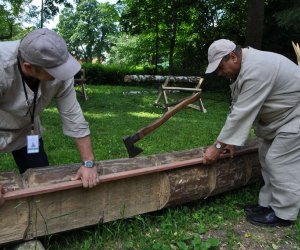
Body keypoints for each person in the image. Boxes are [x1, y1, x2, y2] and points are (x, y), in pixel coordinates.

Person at [203, 39, 300, 227]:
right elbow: (238, 107)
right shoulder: (243, 68)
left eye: (221, 68)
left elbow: (242, 113)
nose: (220, 73)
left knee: (279, 161)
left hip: (295, 116)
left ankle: (284, 214)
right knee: (265, 158)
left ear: (233, 57)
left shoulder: (257, 68)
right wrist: (230, 141)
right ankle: (267, 205)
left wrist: (217, 147)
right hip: (277, 120)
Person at [0, 28, 98, 188]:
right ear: (28, 67)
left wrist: (89, 163)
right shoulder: (2, 66)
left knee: (40, 181)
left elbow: (73, 116)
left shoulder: (58, 65)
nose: (62, 74)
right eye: (54, 72)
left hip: (27, 130)